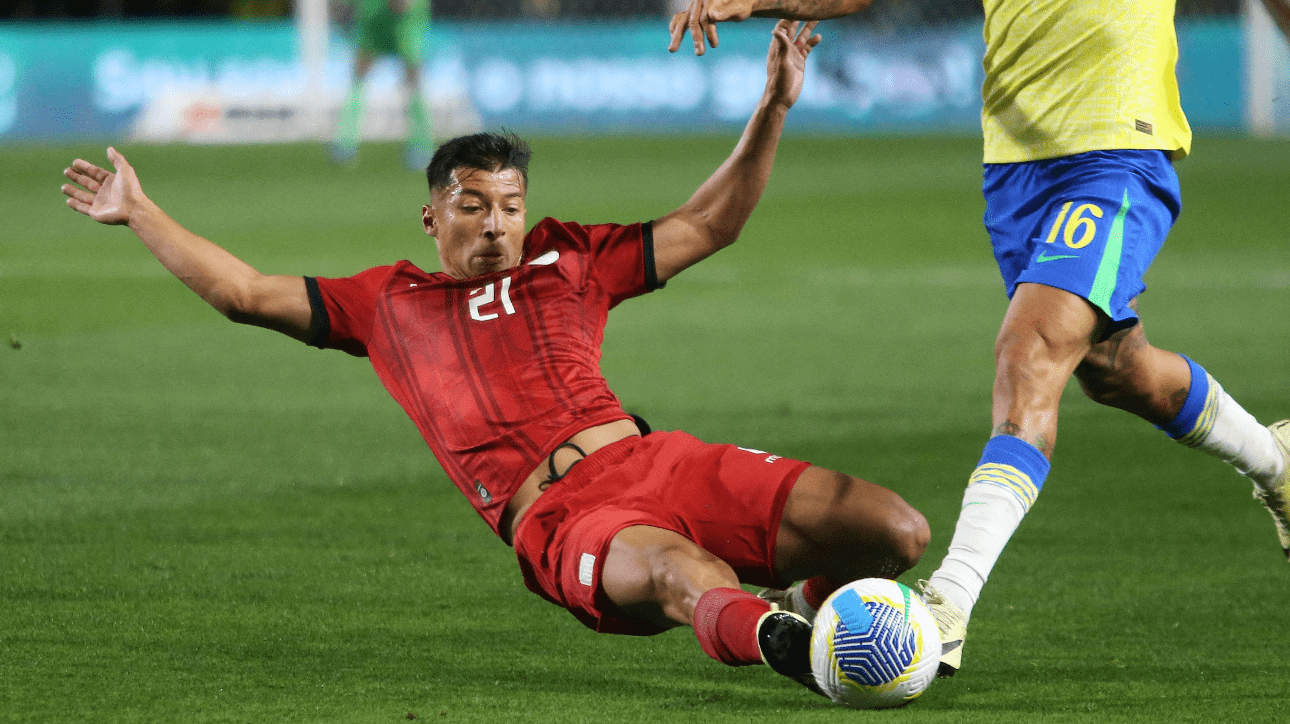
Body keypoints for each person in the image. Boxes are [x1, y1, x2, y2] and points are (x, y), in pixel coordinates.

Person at [61, 21, 929, 697]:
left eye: (509, 204)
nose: (495, 223)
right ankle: (795, 649)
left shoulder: (571, 260)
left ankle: (819, 614)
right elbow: (244, 291)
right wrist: (141, 212)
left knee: (894, 531)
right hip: (560, 518)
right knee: (679, 573)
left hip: (651, 458)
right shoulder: (384, 304)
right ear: (433, 220)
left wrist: (773, 106)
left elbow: (710, 224)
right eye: (470, 205)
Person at [668, 0, 1290, 678]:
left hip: (1116, 147)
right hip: (1017, 162)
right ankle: (1277, 462)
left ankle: (949, 603)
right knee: (1116, 368)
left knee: (1030, 354)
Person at [330, 0, 434, 170]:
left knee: (413, 79)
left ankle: (421, 145)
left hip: (406, 20)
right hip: (374, 15)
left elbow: (402, 6)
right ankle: (345, 142)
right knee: (359, 75)